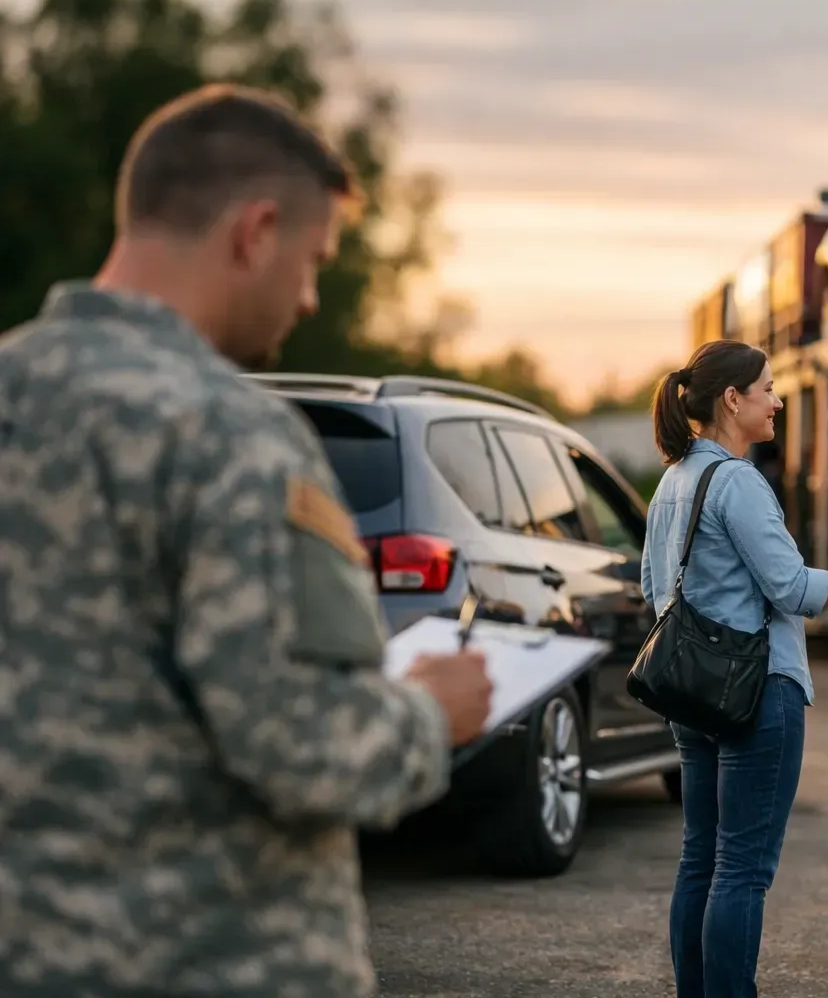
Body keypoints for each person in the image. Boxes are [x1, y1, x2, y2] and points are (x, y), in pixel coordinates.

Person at [0, 84, 493, 997]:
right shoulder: (229, 436)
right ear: (253, 231)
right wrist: (432, 712)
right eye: (312, 260)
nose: (308, 297)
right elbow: (304, 747)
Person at [642, 339, 828, 998]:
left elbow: (653, 590)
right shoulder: (737, 481)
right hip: (756, 693)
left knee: (701, 857)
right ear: (734, 400)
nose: (779, 400)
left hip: (690, 693)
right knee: (742, 869)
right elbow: (794, 590)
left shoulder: (671, 482)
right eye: (768, 388)